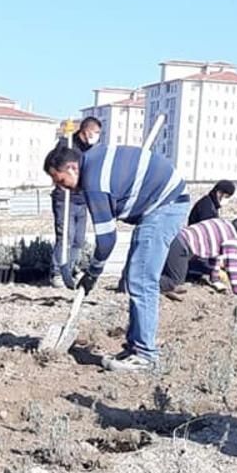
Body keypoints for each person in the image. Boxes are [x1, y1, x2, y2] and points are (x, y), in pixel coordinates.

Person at [43, 142, 189, 372]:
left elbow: (107, 240)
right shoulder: (92, 160)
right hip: (160, 204)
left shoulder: (93, 183)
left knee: (142, 280)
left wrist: (93, 273)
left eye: (60, 180)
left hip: (165, 206)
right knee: (135, 276)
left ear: (72, 167)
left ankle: (145, 355)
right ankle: (135, 347)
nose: (62, 187)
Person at [49, 117, 101, 286]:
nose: (97, 136)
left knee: (78, 239)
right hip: (65, 199)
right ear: (86, 131)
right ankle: (57, 272)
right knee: (66, 236)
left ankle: (70, 269)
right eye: (95, 132)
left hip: (82, 199)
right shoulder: (67, 144)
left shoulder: (92, 150)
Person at [162, 216, 237, 298]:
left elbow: (215, 258)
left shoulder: (221, 222)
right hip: (181, 246)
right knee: (175, 282)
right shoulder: (231, 239)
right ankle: (154, 283)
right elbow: (233, 267)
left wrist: (215, 279)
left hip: (175, 236)